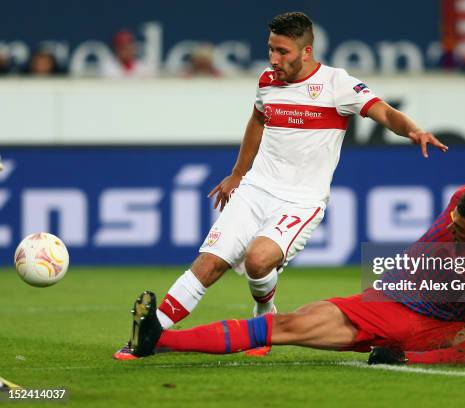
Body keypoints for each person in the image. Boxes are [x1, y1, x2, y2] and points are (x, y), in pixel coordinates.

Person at [114, 12, 447, 359]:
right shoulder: (267, 82)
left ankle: (264, 315)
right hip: (256, 188)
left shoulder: (338, 85)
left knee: (259, 262)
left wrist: (413, 130)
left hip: (301, 202)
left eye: (282, 51)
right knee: (210, 263)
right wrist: (238, 174)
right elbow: (258, 119)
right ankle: (148, 336)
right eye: (271, 49)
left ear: (306, 51)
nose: (274, 59)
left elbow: (385, 113)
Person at [119, 164, 465, 370]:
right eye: (453, 219)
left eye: (460, 230)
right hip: (383, 302)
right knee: (286, 326)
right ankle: (158, 341)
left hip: (436, 329)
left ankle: (405, 360)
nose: (451, 227)